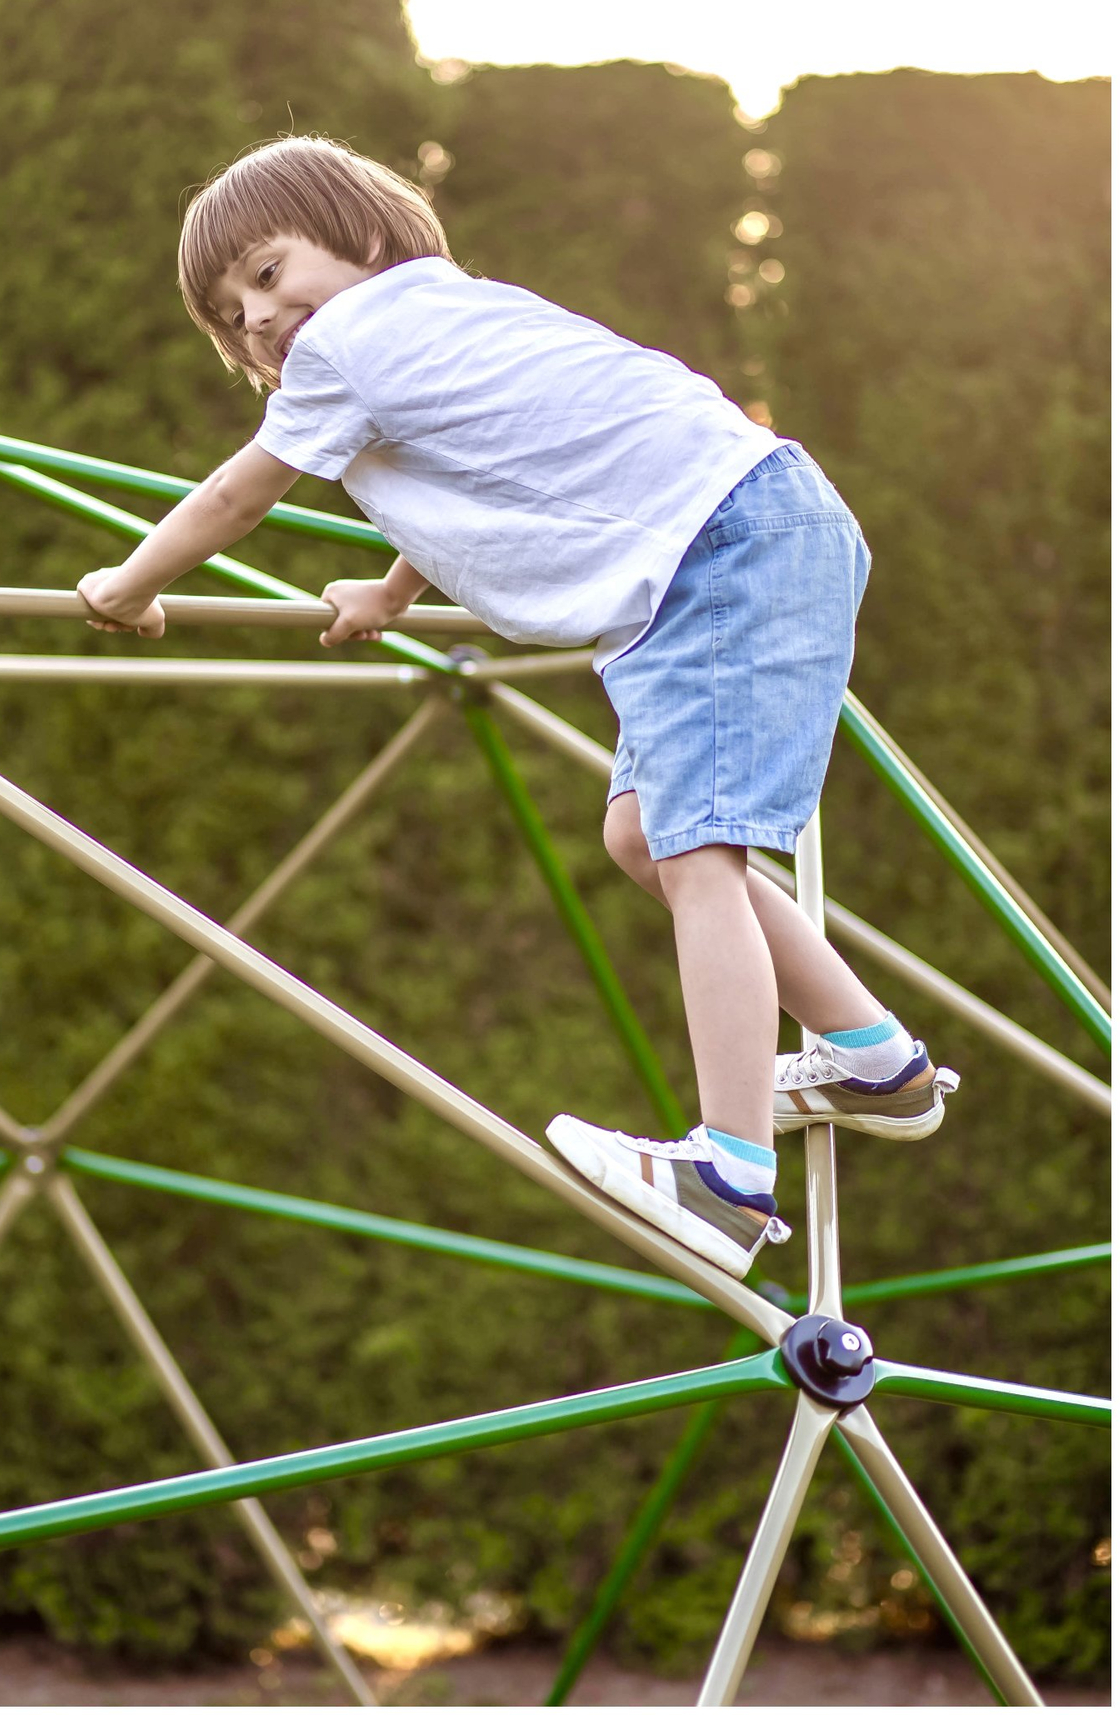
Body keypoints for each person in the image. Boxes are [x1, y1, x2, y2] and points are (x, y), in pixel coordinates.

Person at [78, 135, 958, 1282]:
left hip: (723, 549)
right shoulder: (445, 317)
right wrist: (392, 585)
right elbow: (497, 468)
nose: (255, 315)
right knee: (645, 835)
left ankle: (728, 1177)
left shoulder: (346, 341)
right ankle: (871, 1056)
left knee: (698, 854)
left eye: (265, 267)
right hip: (731, 541)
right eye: (230, 311)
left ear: (366, 234)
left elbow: (239, 491)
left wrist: (128, 584)